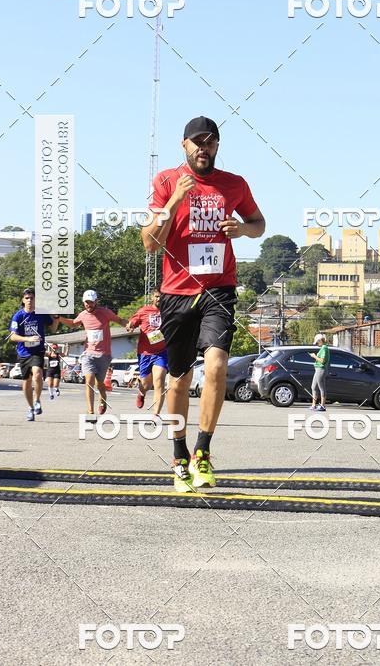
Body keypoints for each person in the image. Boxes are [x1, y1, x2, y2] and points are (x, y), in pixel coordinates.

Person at [141, 116, 265, 492]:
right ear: (184, 145)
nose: (203, 148)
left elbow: (259, 223)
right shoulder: (165, 181)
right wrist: (175, 200)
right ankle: (179, 457)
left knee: (216, 366)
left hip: (218, 289)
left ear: (217, 147)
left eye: (210, 142)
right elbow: (149, 242)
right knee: (179, 380)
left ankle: (203, 453)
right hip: (176, 293)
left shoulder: (234, 183)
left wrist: (243, 229)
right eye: (197, 142)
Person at [57, 291, 127, 418]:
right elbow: (73, 324)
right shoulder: (83, 315)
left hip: (104, 354)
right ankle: (90, 412)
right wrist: (59, 318)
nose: (88, 305)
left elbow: (119, 320)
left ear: (96, 302)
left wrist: (130, 324)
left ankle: (103, 400)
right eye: (86, 302)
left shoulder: (105, 312)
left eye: (91, 302)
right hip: (88, 353)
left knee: (100, 384)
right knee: (89, 381)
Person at [9, 288, 58, 421]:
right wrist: (28, 338)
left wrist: (56, 317)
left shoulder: (41, 313)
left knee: (37, 373)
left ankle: (37, 401)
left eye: (32, 298)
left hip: (38, 351)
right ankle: (30, 408)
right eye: (27, 298)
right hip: (24, 352)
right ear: (23, 300)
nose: (29, 300)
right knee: (27, 381)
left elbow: (53, 328)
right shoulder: (18, 316)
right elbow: (13, 337)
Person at [127, 289, 168, 416]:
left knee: (159, 381)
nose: (159, 299)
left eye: (161, 297)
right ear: (152, 298)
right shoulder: (144, 310)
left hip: (161, 352)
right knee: (145, 384)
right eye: (157, 296)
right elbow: (133, 321)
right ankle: (141, 393)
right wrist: (131, 325)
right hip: (145, 353)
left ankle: (156, 415)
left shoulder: (169, 311)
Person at [310, 334, 330, 411]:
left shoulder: (324, 348)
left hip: (321, 369)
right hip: (318, 369)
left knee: (321, 387)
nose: (316, 344)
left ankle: (322, 405)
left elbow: (322, 361)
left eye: (317, 342)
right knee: (313, 387)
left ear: (320, 341)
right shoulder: (322, 348)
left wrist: (314, 356)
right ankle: (313, 405)